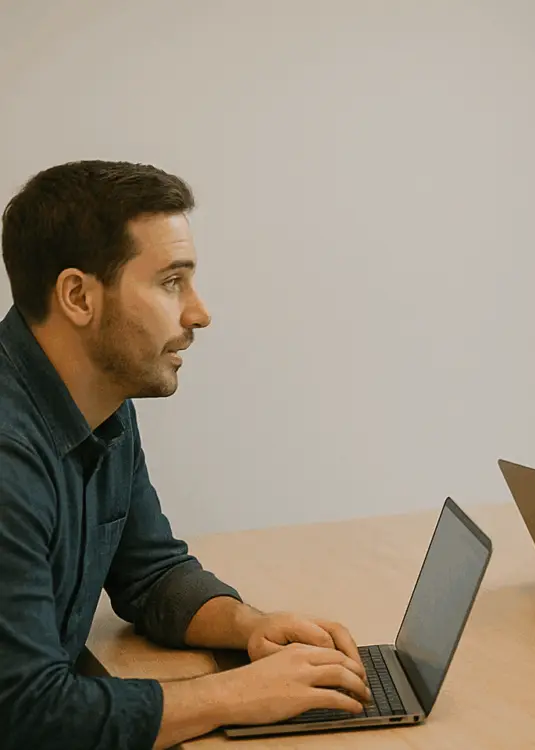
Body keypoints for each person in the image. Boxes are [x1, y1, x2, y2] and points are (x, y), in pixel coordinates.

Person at [0, 161, 372, 749]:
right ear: (78, 295)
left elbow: (150, 573)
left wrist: (250, 626)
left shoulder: (102, 403)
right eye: (172, 282)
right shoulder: (7, 457)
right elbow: (27, 715)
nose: (199, 312)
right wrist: (238, 696)